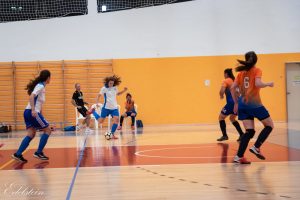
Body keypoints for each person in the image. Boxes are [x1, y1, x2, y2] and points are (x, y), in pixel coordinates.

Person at [231, 51, 274, 164]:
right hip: (254, 104)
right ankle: (256, 147)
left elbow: (232, 87)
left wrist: (235, 103)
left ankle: (238, 157)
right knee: (269, 125)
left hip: (242, 105)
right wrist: (268, 84)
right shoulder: (257, 70)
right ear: (256, 60)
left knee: (249, 132)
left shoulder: (240, 73)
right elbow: (258, 84)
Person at [12, 70, 52, 162]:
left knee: (31, 133)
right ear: (48, 78)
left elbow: (38, 102)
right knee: (48, 130)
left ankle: (18, 154)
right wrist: (34, 110)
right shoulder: (41, 86)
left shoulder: (41, 86)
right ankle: (38, 152)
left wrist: (40, 114)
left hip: (27, 112)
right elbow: (32, 96)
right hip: (32, 112)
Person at [95, 75, 128, 139]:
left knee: (116, 120)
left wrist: (124, 90)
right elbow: (98, 95)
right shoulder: (104, 88)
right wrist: (96, 103)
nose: (111, 84)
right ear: (107, 82)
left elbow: (118, 94)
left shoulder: (115, 87)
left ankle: (112, 134)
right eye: (110, 83)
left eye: (112, 83)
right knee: (100, 121)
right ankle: (93, 112)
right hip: (106, 108)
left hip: (114, 108)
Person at [217, 68, 244, 142]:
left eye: (224, 74)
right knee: (232, 118)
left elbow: (222, 90)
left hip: (231, 103)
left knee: (221, 118)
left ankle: (225, 135)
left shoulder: (226, 80)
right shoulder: (235, 81)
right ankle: (241, 134)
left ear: (226, 74)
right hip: (238, 103)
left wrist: (221, 95)